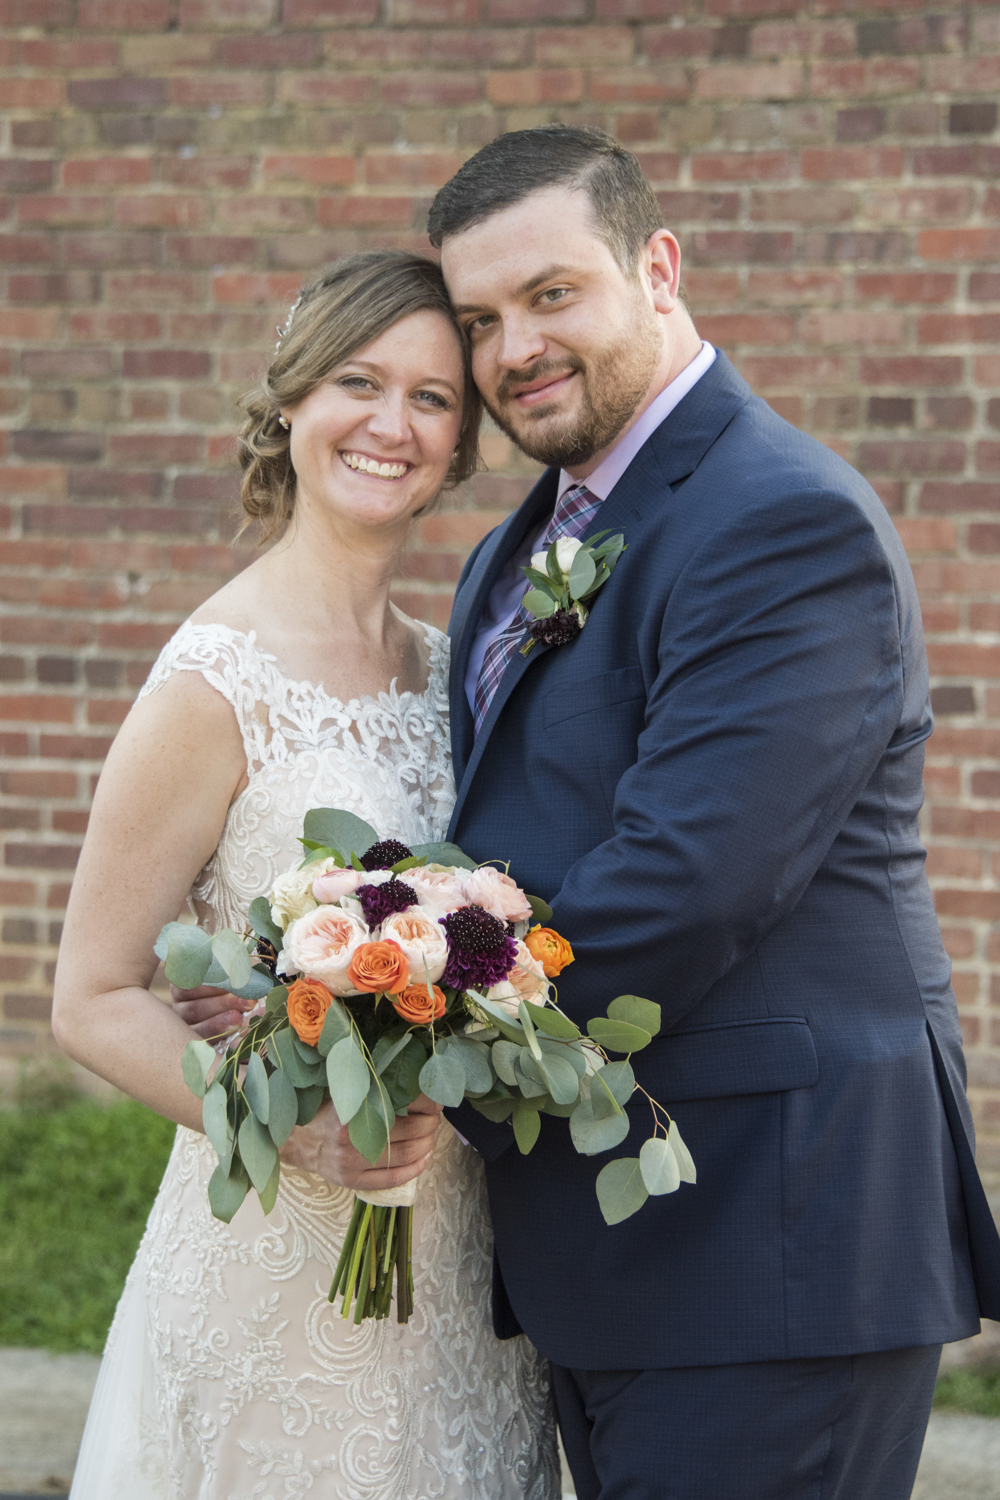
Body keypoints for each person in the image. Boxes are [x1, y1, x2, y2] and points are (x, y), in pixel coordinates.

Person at [425, 126, 1000, 1499]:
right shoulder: (527, 540)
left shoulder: (779, 519)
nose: (514, 350)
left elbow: (688, 882)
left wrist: (418, 1053)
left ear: (658, 267)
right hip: (620, 1246)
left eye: (553, 294)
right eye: (481, 320)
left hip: (773, 1237)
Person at [52, 250, 559, 1500]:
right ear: (290, 404)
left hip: (456, 1272)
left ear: (458, 445)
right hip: (275, 1266)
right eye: (357, 381)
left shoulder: (456, 673)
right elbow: (92, 998)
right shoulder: (210, 682)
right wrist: (301, 1131)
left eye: (433, 400)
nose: (392, 424)